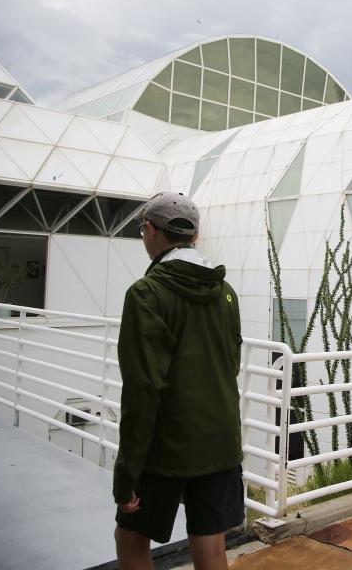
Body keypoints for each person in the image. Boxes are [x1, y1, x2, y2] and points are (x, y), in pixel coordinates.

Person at [113, 192, 243, 570]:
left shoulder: (146, 294)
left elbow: (142, 389)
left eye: (143, 229)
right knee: (210, 543)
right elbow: (228, 365)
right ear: (194, 237)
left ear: (151, 231)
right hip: (220, 440)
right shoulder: (225, 292)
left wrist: (127, 474)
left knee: (131, 536)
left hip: (166, 448)